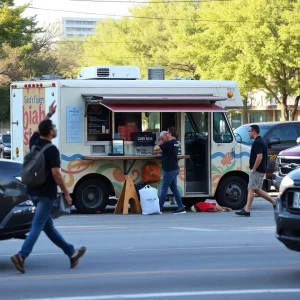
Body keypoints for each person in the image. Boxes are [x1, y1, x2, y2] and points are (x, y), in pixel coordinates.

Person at [11, 101, 86, 274]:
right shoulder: (52, 150)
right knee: (38, 226)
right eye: (52, 126)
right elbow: (56, 174)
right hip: (46, 194)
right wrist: (67, 194)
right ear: (51, 132)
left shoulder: (35, 142)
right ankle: (21, 256)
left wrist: (49, 114)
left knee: (48, 227)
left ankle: (72, 253)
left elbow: (39, 129)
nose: (54, 128)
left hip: (33, 191)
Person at [235, 124, 276, 217]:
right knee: (256, 189)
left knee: (250, 188)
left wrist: (254, 168)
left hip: (257, 170)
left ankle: (247, 210)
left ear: (253, 131)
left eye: (249, 131)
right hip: (261, 169)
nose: (248, 133)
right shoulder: (261, 141)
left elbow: (259, 156)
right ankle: (274, 202)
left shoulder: (257, 142)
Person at [154, 127, 186, 214]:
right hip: (175, 168)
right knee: (174, 188)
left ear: (171, 134)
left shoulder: (169, 143)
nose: (166, 134)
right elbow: (163, 151)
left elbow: (155, 148)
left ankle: (159, 208)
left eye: (167, 133)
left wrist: (160, 141)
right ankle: (181, 207)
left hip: (169, 169)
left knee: (164, 188)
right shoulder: (175, 143)